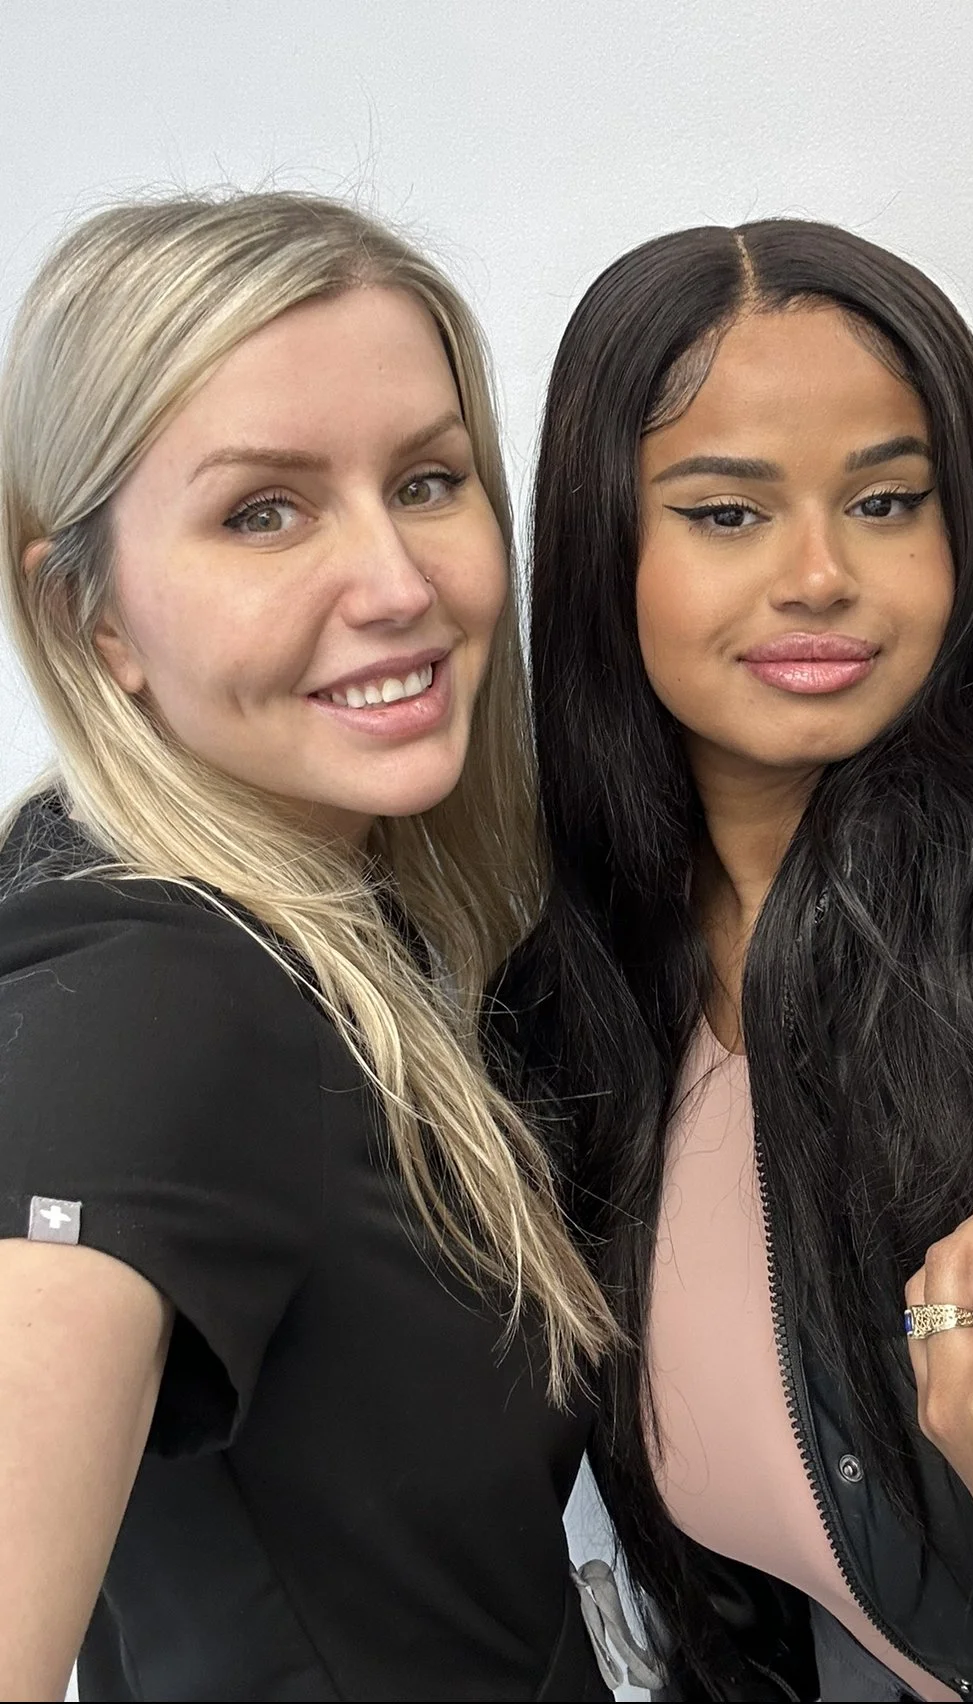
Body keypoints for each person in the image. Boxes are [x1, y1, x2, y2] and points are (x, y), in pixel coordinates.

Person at [488, 220, 973, 1700]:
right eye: (727, 513)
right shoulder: (567, 1008)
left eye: (884, 501)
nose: (819, 574)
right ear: (603, 553)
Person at [0, 192, 623, 1703]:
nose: (400, 585)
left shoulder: (327, 901)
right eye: (262, 512)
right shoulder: (144, 995)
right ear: (92, 618)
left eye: (426, 481)